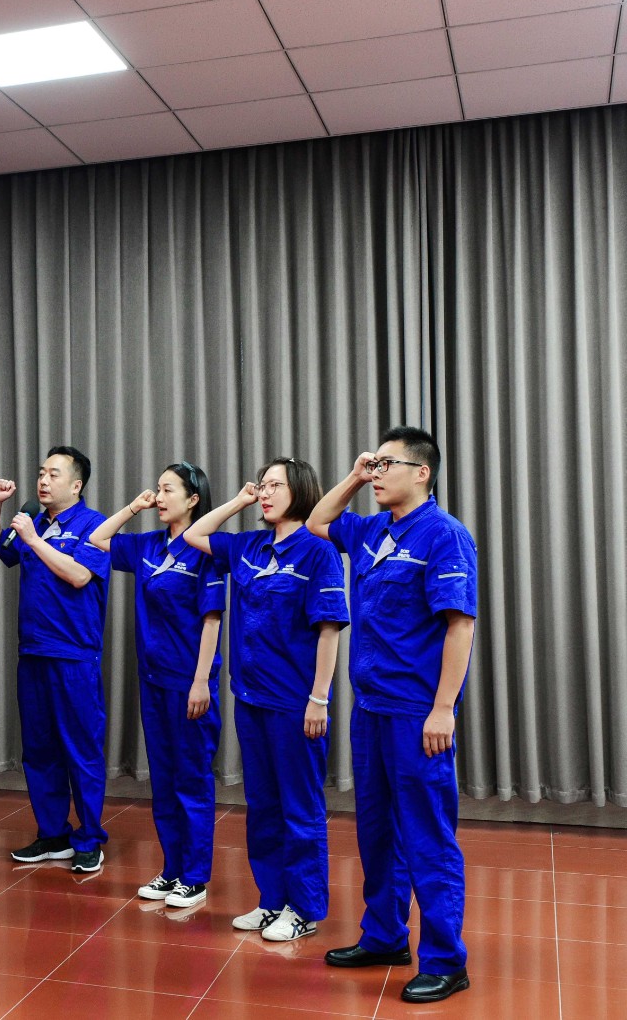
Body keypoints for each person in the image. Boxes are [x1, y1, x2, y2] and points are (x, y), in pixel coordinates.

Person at [306, 427, 477, 1005]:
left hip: (416, 712)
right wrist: (355, 475)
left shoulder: (444, 535)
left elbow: (460, 625)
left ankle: (446, 960)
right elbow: (319, 523)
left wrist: (443, 708)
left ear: (422, 472)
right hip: (371, 709)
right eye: (374, 465)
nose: (377, 474)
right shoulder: (374, 529)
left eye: (387, 465)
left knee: (427, 836)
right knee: (376, 831)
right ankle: (384, 936)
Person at [184, 459, 348, 942]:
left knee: (300, 807)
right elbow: (194, 534)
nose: (267, 493)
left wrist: (319, 698)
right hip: (251, 697)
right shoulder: (248, 545)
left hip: (295, 702)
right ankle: (272, 899)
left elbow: (330, 629)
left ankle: (304, 907)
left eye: (276, 485)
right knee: (262, 805)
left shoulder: (318, 550)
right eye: (263, 486)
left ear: (300, 490)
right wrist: (239, 500)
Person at [91, 462, 225, 909]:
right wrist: (134, 507)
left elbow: (212, 620)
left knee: (191, 780)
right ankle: (172, 869)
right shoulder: (147, 544)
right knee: (164, 781)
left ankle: (195, 876)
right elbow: (98, 540)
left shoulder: (205, 550)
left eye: (168, 490)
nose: (160, 497)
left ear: (193, 499)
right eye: (158, 489)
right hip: (153, 680)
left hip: (190, 683)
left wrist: (201, 681)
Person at [0, 446, 112, 874]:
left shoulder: (94, 525)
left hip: (73, 655)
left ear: (76, 485)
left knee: (81, 750)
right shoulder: (33, 520)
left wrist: (35, 542)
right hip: (33, 652)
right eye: (41, 473)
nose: (43, 480)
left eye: (54, 474)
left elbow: (79, 575)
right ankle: (53, 834)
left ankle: (89, 839)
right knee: (39, 750)